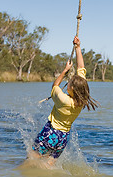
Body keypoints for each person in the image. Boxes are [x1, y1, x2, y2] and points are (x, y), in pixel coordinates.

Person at [30, 36, 99, 168]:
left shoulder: (63, 99)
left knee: (31, 160)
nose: (69, 82)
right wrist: (78, 47)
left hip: (50, 134)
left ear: (72, 88)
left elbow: (55, 86)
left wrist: (64, 71)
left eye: (70, 82)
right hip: (62, 139)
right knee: (48, 167)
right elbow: (81, 67)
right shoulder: (82, 99)